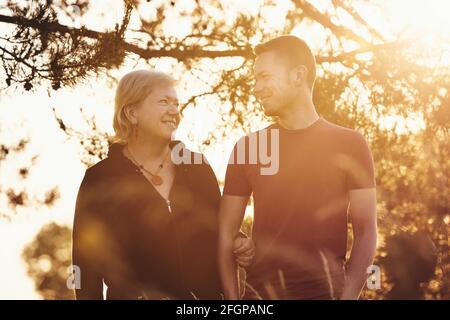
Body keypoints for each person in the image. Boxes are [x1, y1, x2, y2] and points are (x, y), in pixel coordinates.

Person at [218, 35, 377, 300]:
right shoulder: (248, 147)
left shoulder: (351, 144)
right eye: (255, 78)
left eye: (265, 76)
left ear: (298, 75)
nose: (256, 88)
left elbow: (366, 230)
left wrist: (348, 297)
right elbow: (225, 232)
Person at [72, 70, 254, 300]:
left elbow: (217, 226)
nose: (174, 111)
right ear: (131, 113)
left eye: (176, 104)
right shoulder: (100, 178)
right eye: (163, 102)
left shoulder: (196, 165)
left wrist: (238, 241)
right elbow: (85, 266)